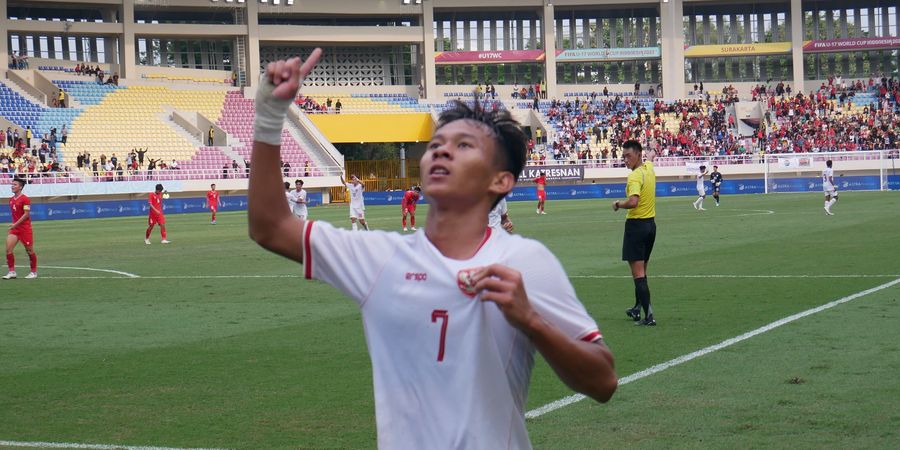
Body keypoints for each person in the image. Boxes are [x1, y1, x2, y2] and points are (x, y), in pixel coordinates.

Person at [247, 52, 617, 449]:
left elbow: (603, 382)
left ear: (501, 181)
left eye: (463, 145)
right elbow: (271, 226)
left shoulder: (525, 262)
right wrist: (270, 116)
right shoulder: (380, 259)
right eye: (436, 144)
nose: (441, 151)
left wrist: (532, 321)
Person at [613, 140, 657, 326]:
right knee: (642, 271)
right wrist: (652, 146)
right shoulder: (649, 167)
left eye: (628, 156)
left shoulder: (634, 177)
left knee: (638, 274)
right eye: (623, 156)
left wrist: (618, 204)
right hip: (650, 226)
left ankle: (649, 316)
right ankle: (637, 308)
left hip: (636, 227)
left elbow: (633, 202)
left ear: (638, 154)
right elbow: (652, 156)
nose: (625, 159)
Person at [4, 178, 38, 279]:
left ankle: (33, 272)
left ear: (20, 187)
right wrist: (14, 226)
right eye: (12, 184)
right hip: (15, 229)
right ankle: (12, 272)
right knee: (8, 250)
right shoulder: (11, 200)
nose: (12, 186)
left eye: (15, 184)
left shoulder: (25, 199)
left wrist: (15, 224)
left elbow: (26, 214)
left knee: (30, 251)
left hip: (25, 229)